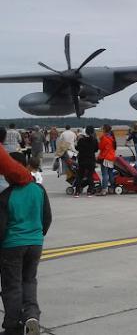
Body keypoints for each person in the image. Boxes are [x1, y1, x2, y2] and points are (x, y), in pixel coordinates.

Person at [0, 143, 51, 335]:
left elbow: (1, 227)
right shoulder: (39, 190)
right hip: (35, 243)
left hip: (12, 245)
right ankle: (31, 315)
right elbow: (47, 218)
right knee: (29, 280)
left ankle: (13, 326)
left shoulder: (6, 195)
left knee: (12, 286)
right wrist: (37, 234)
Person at [74, 126, 98, 197]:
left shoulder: (81, 140)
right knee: (90, 176)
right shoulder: (94, 140)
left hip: (82, 159)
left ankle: (77, 192)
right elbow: (96, 149)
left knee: (79, 176)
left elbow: (77, 148)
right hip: (91, 160)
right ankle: (89, 191)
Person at [97, 125, 116, 196]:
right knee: (110, 173)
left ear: (104, 130)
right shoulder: (112, 137)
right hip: (111, 157)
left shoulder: (104, 138)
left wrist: (100, 140)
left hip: (105, 158)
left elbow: (100, 147)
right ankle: (112, 188)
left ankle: (104, 190)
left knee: (104, 174)